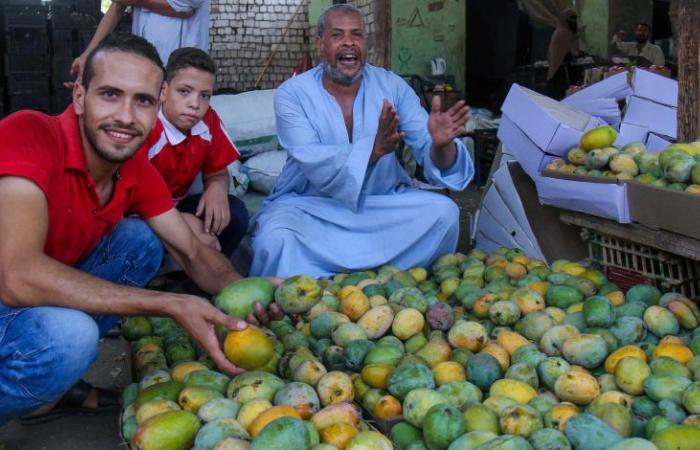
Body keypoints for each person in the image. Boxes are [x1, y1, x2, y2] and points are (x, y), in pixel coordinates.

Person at [0, 34, 278, 426]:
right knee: (70, 337)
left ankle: (51, 384)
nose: (127, 117)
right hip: (7, 296)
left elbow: (192, 252)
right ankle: (41, 375)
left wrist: (255, 293)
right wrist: (168, 303)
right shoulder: (30, 133)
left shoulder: (134, 171)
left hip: (32, 301)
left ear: (158, 102)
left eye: (143, 101)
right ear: (79, 96)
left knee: (142, 242)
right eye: (110, 95)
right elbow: (17, 276)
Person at [250, 4, 473, 278]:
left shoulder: (391, 86)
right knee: (276, 238)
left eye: (356, 35)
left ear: (365, 44)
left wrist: (442, 145)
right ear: (320, 44)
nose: (349, 42)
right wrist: (373, 151)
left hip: (379, 204)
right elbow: (313, 160)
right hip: (313, 207)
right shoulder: (292, 94)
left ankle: (394, 283)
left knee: (444, 213)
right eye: (337, 35)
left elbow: (430, 152)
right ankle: (310, 292)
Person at [141, 47, 248, 262]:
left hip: (176, 205)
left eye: (205, 96)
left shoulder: (208, 121)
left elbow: (217, 172)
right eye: (184, 91)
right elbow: (125, 199)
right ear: (163, 91)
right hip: (139, 212)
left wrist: (217, 189)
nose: (195, 104)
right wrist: (179, 222)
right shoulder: (146, 127)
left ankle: (195, 284)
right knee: (139, 235)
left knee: (233, 213)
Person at [68, 0, 210, 83]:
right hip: (144, 62)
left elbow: (184, 7)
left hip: (181, 65)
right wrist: (87, 54)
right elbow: (118, 5)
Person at [546, 9, 580, 100]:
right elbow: (575, 52)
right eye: (571, 20)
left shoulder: (560, 30)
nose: (573, 22)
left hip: (557, 70)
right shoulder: (565, 32)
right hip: (560, 71)